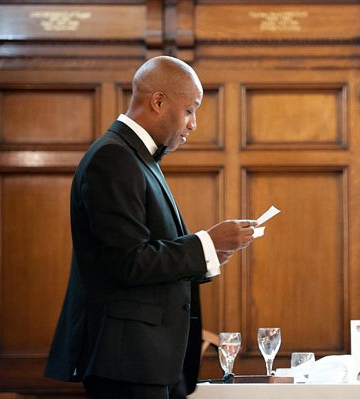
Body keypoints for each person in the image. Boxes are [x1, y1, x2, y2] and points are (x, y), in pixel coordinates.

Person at [44, 56, 257, 399]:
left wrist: (211, 253)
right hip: (127, 361)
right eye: (190, 110)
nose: (193, 123)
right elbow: (127, 262)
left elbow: (144, 250)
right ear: (158, 101)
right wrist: (204, 242)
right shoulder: (113, 157)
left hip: (147, 360)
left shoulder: (137, 157)